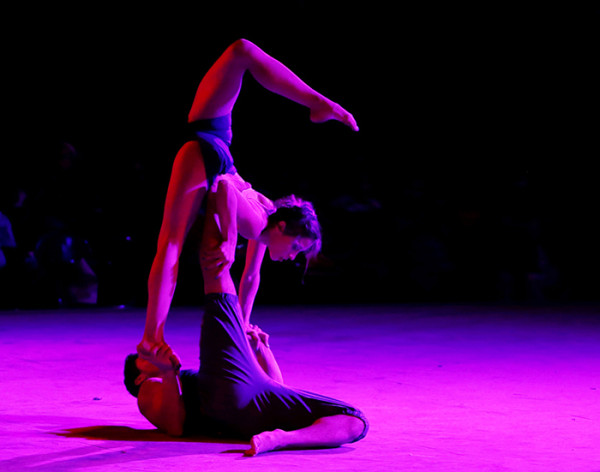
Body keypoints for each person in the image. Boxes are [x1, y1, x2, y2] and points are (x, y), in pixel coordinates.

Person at [138, 38, 358, 367]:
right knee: (241, 50)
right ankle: (151, 337)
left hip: (214, 143)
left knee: (170, 243)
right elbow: (224, 187)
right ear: (283, 226)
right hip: (212, 147)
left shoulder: (266, 221)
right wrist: (226, 244)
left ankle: (153, 336)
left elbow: (251, 280)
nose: (292, 256)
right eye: (297, 247)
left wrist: (241, 325)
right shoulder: (258, 224)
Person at [123, 194, 368, 455]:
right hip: (232, 397)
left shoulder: (263, 227)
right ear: (139, 375)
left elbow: (275, 384)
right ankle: (221, 182)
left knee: (355, 421)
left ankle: (283, 439)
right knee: (216, 264)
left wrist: (256, 343)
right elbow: (175, 426)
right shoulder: (150, 386)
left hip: (249, 401)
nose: (294, 255)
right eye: (295, 246)